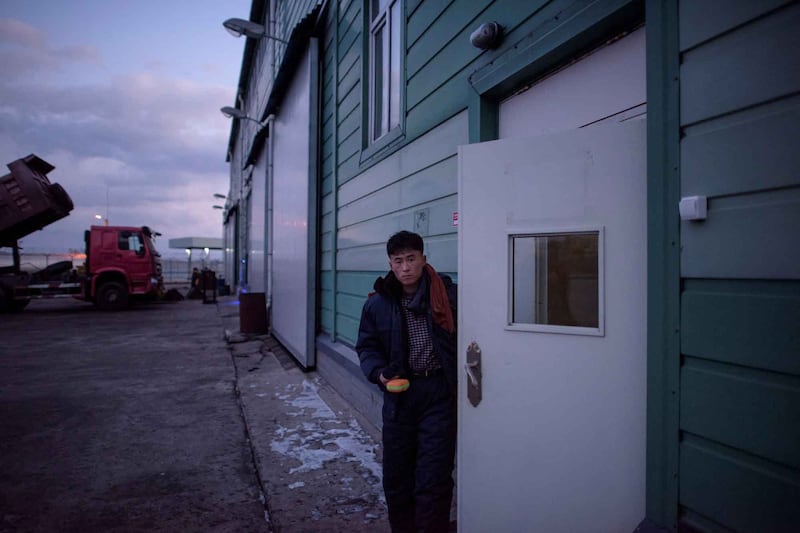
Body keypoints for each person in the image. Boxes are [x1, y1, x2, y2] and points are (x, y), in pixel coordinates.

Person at [356, 230, 457, 532]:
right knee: (397, 478)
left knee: (434, 477)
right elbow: (367, 347)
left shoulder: (448, 297)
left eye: (411, 259)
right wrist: (379, 373)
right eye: (398, 261)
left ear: (423, 259)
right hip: (399, 397)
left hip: (438, 394)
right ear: (390, 264)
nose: (405, 268)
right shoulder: (378, 304)